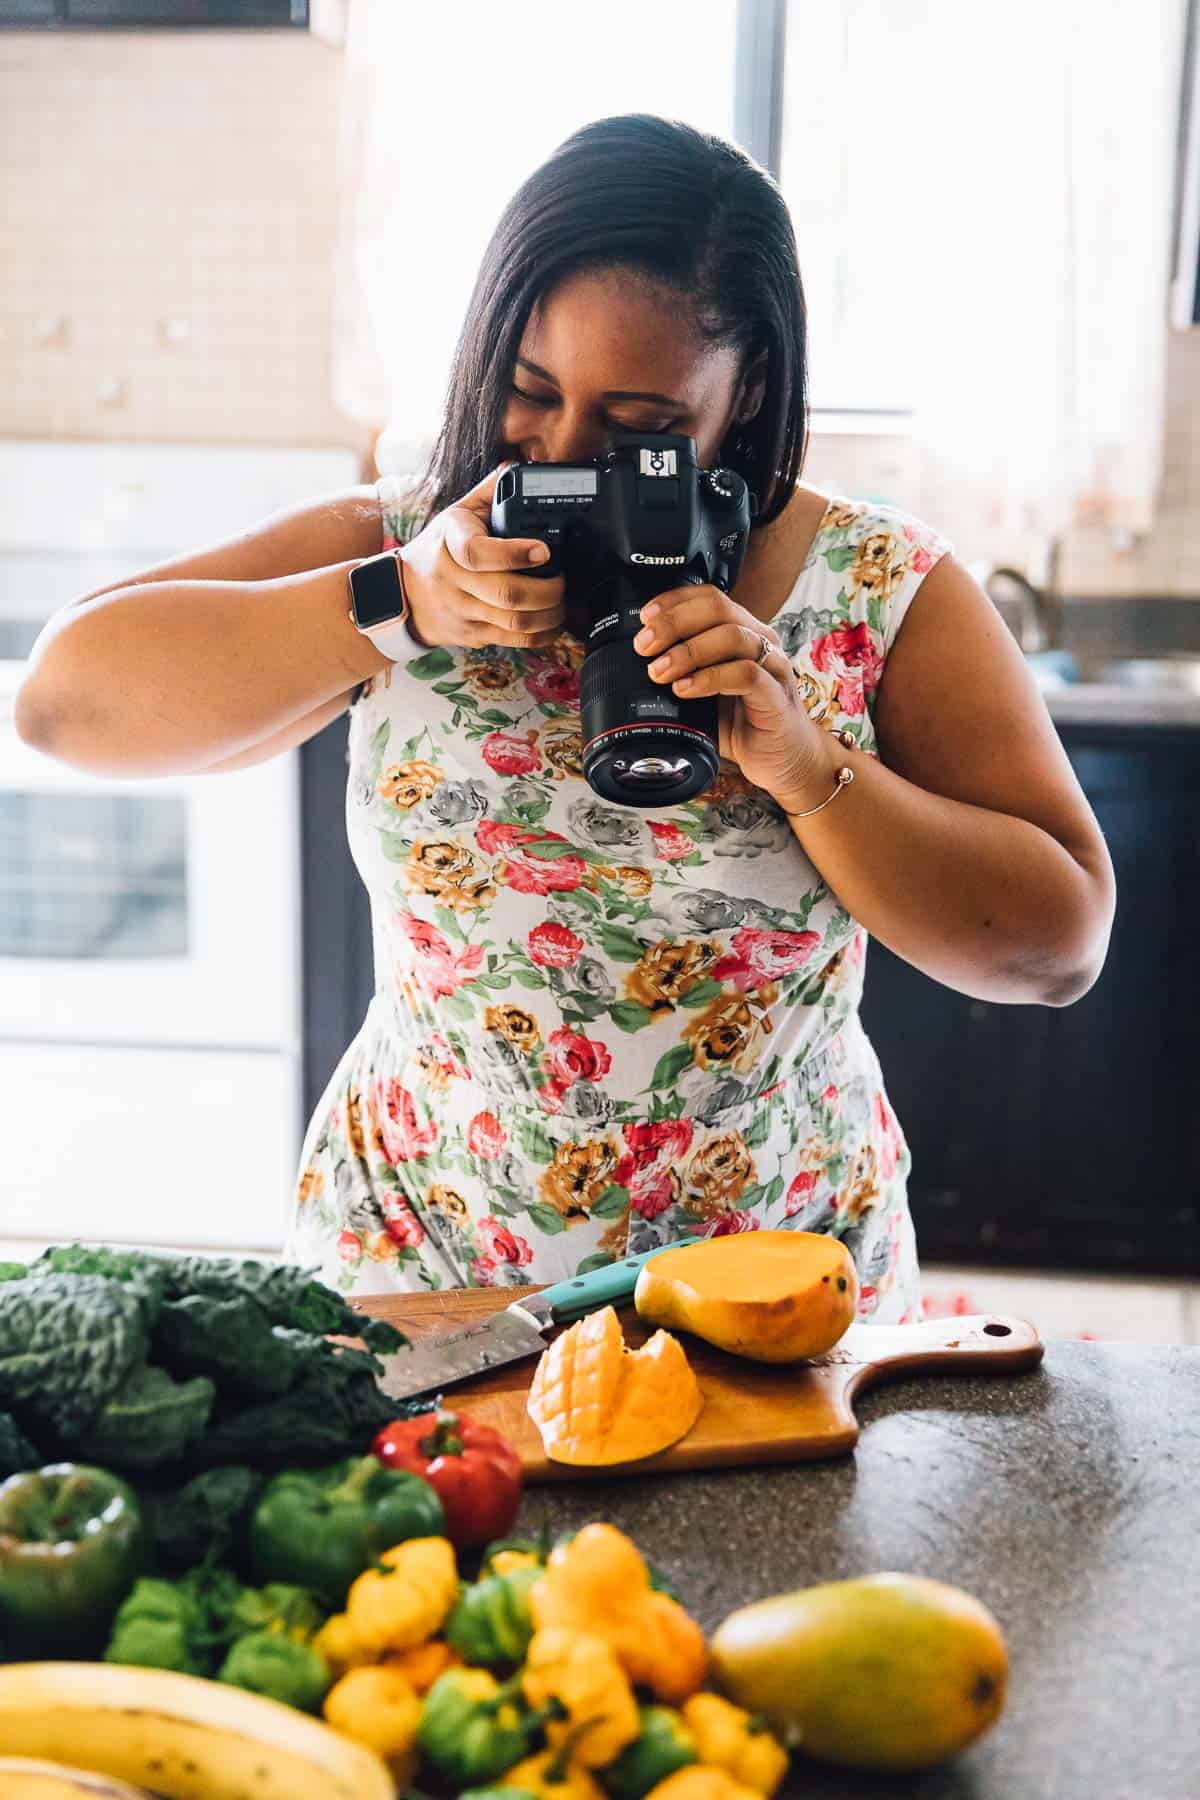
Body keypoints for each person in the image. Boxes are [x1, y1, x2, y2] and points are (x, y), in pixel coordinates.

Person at [16, 115, 1114, 1320]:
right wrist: (397, 601)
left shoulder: (876, 589)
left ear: (746, 396)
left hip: (772, 1302)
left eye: (641, 432)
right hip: (422, 1276)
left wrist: (807, 764)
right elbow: (62, 703)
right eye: (529, 393)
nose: (565, 456)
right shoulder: (410, 538)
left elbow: (1059, 945)